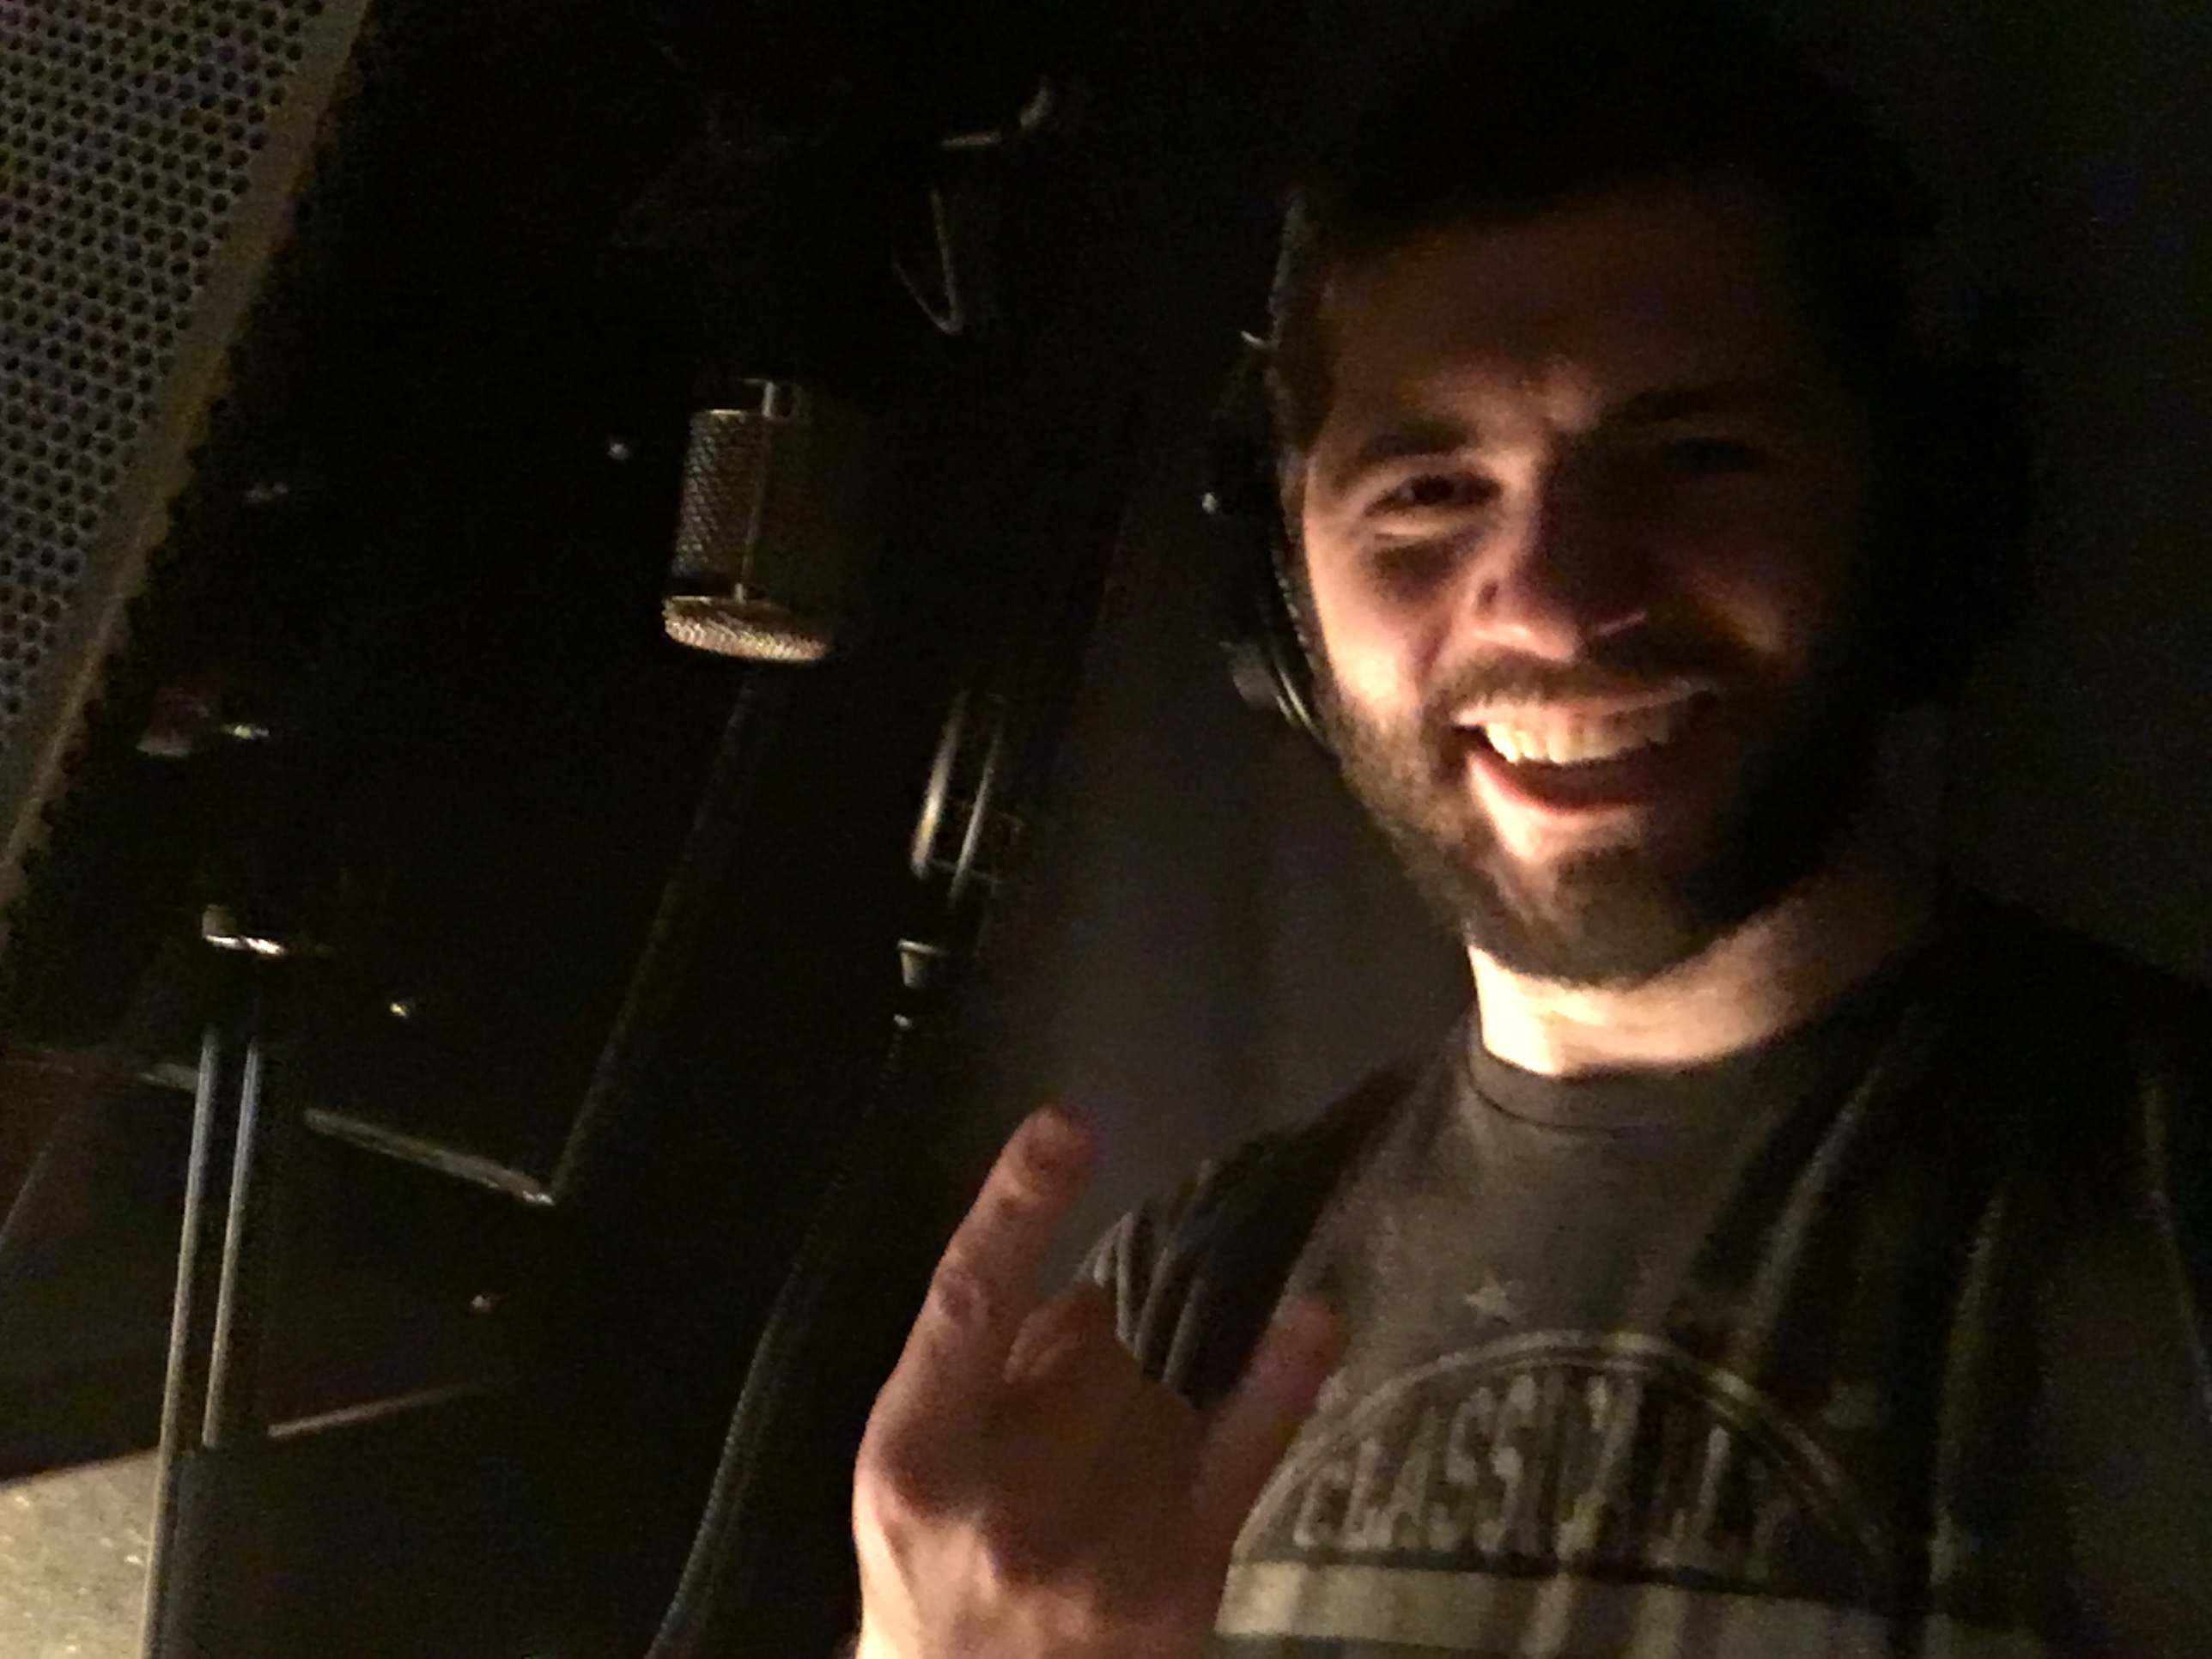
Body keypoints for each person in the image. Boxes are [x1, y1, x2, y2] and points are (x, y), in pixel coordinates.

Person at [846, 3, 2212, 1655]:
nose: (1557, 603)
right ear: (1281, 611)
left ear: (1916, 526)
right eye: (1427, 491)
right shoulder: (1183, 1302)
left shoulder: (2172, 1214)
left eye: (1697, 457)